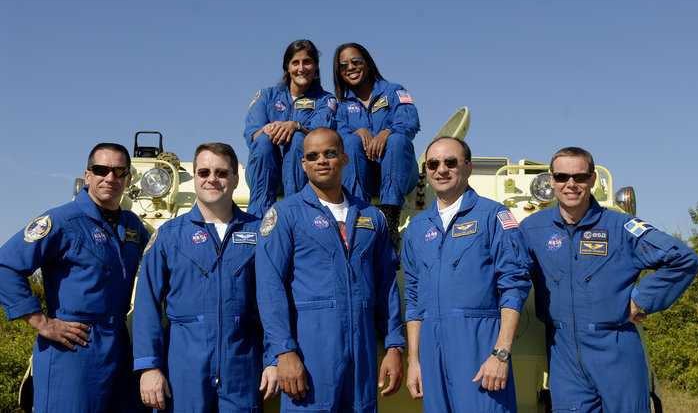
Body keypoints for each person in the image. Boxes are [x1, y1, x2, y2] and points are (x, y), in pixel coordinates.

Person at [518, 147, 698, 412]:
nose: (571, 184)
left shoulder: (620, 226)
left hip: (615, 349)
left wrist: (641, 300)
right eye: (561, 177)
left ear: (592, 180)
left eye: (579, 177)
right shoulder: (532, 228)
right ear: (552, 180)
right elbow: (504, 269)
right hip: (562, 353)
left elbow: (684, 259)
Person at [256, 127, 405, 412]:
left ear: (345, 159)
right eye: (312, 156)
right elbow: (269, 287)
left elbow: (386, 285)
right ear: (303, 164)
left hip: (361, 356)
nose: (321, 161)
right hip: (310, 356)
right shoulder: (285, 214)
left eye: (330, 153)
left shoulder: (371, 217)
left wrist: (394, 346)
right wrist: (283, 352)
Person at [0, 143, 150, 412]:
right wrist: (42, 323)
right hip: (74, 346)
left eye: (119, 171)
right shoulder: (61, 221)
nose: (110, 178)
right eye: (101, 170)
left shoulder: (132, 226)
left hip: (121, 345)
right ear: (88, 175)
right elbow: (5, 266)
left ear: (128, 179)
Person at [133, 143, 278, 412]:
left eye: (222, 173)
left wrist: (274, 359)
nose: (212, 179)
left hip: (243, 367)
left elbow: (275, 302)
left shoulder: (261, 234)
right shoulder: (169, 235)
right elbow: (147, 304)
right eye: (203, 172)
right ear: (196, 177)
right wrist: (149, 367)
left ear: (235, 179)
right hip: (184, 369)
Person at [402, 137, 531, 413]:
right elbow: (412, 300)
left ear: (468, 168)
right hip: (431, 351)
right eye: (433, 164)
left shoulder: (493, 216)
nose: (441, 170)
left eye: (451, 162)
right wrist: (414, 361)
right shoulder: (417, 229)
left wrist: (501, 354)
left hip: (479, 345)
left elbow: (515, 285)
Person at [332, 43, 420, 248]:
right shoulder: (341, 105)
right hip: (364, 176)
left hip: (400, 173)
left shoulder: (395, 91)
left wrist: (386, 132)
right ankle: (356, 215)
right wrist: (356, 132)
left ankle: (390, 219)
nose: (351, 68)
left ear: (368, 64)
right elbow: (335, 134)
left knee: (397, 140)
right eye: (344, 66)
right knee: (350, 142)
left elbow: (410, 122)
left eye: (356, 62)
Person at [244, 39, 337, 217]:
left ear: (316, 66)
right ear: (287, 67)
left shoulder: (326, 100)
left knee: (299, 139)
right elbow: (252, 135)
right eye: (295, 62)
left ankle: (295, 214)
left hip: (303, 175)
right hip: (265, 171)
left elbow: (324, 132)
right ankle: (258, 218)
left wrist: (296, 126)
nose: (301, 68)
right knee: (263, 140)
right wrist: (270, 130)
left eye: (307, 62)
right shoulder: (267, 95)